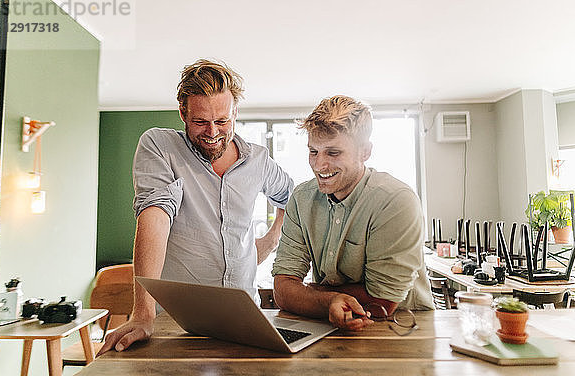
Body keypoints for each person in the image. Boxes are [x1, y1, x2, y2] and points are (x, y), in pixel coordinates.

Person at [101, 59, 294, 353]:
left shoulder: (259, 160)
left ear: (235, 112)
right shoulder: (160, 146)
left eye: (222, 121)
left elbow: (292, 200)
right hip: (178, 324)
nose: (213, 132)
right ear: (183, 113)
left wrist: (271, 239)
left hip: (244, 321)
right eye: (200, 121)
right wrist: (142, 313)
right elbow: (154, 216)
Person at [272, 95, 433, 331]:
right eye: (314, 152)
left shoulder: (395, 200)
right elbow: (282, 291)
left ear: (365, 151)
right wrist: (323, 300)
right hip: (330, 326)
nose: (319, 165)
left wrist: (308, 293)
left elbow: (383, 302)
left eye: (333, 153)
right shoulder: (301, 198)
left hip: (404, 328)